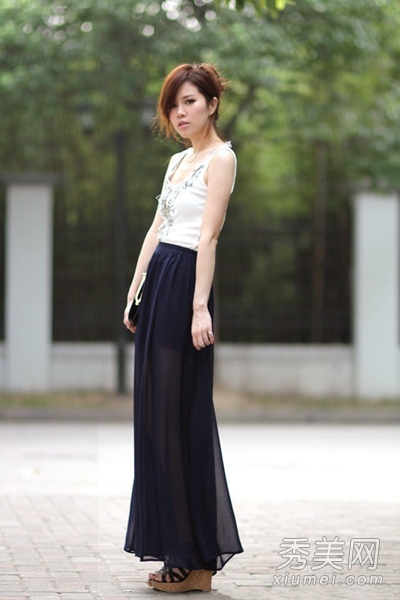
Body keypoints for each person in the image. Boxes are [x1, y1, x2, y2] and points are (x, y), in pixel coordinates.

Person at [123, 62, 243, 594]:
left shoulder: (222, 158)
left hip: (187, 283)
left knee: (175, 416)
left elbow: (208, 237)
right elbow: (158, 228)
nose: (180, 112)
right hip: (161, 279)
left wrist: (199, 307)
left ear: (212, 104)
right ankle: (183, 551)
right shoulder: (177, 161)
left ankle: (190, 557)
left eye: (190, 101)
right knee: (154, 416)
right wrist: (135, 288)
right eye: (173, 105)